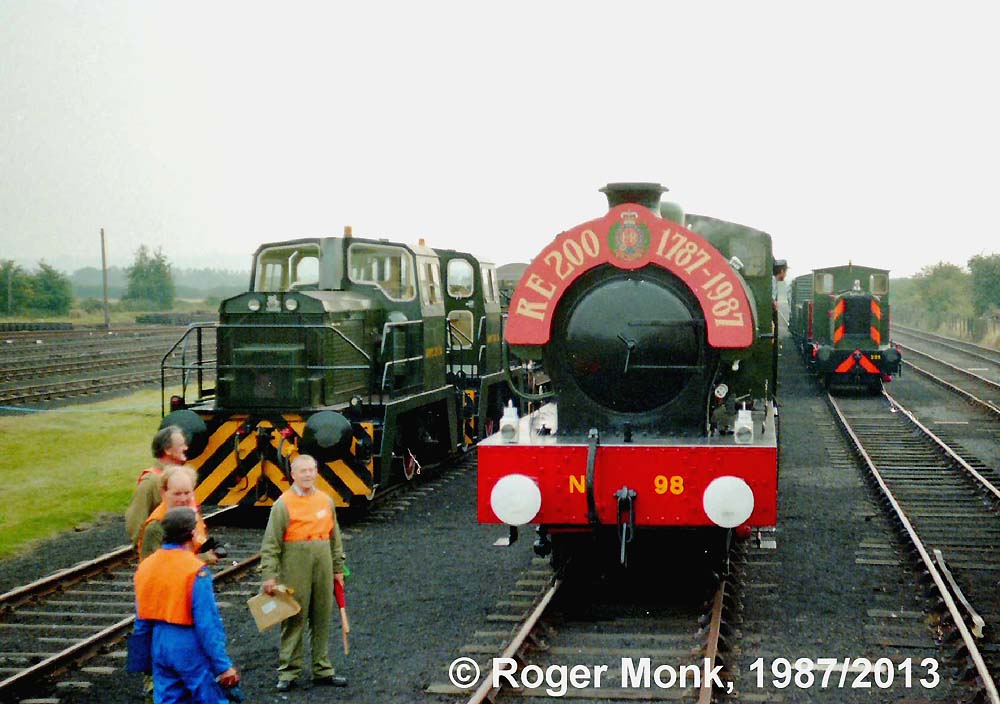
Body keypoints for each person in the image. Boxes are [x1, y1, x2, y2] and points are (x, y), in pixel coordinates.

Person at [132, 507, 239, 704]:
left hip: (159, 642)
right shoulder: (195, 570)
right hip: (188, 644)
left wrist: (140, 658)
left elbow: (141, 619)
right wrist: (223, 666)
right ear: (191, 534)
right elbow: (207, 624)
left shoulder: (145, 567)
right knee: (210, 698)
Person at [260, 454, 348, 691]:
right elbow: (271, 543)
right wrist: (269, 574)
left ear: (317, 472)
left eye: (312, 470)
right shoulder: (283, 504)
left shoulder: (326, 501)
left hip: (323, 564)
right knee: (293, 616)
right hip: (294, 565)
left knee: (321, 616)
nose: (308, 475)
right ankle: (288, 671)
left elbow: (334, 538)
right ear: (293, 474)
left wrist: (338, 568)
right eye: (303, 471)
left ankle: (322, 668)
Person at [137, 465, 215, 563]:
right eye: (177, 494)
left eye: (187, 493)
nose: (183, 499)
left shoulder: (193, 515)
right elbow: (153, 568)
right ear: (163, 493)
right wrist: (203, 558)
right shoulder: (155, 526)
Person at [125, 426, 188, 547]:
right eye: (181, 445)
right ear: (167, 450)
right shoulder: (151, 480)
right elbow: (136, 519)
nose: (186, 448)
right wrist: (146, 550)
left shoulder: (178, 477)